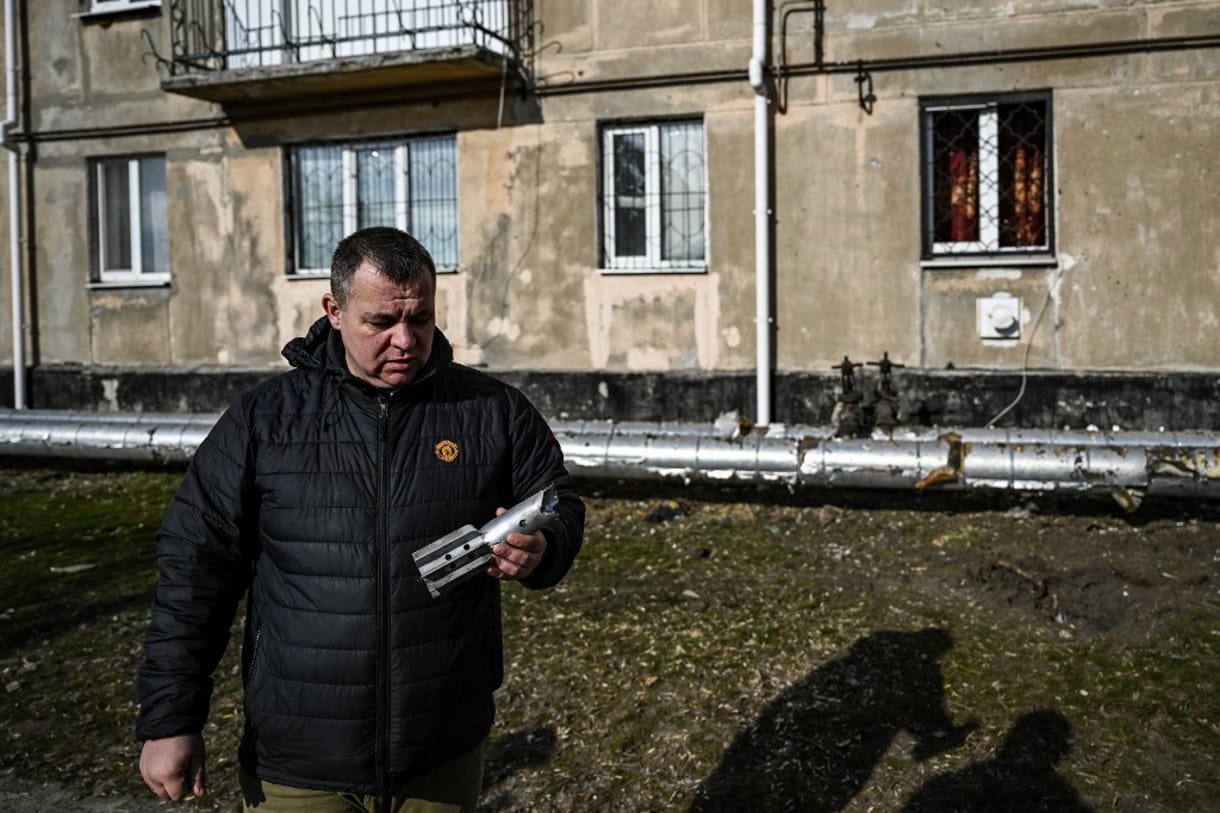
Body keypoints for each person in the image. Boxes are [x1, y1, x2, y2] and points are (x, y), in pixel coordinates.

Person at [135, 226, 585, 811]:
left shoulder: (490, 411)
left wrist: (543, 548)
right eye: (381, 322)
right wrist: (170, 718)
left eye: (420, 319)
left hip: (440, 751)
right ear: (335, 310)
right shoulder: (264, 421)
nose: (405, 339)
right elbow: (196, 571)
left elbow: (560, 505)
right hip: (299, 760)